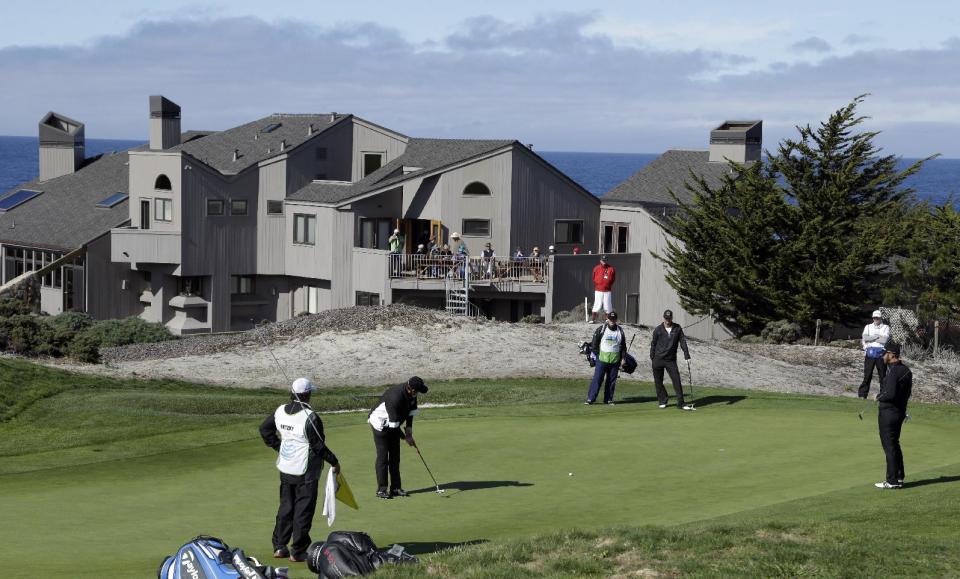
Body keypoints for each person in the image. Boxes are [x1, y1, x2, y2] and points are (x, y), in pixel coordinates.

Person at [259, 377, 340, 562]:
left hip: (286, 468)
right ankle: (298, 550)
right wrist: (334, 461)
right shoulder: (310, 417)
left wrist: (279, 447)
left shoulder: (280, 411)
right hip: (306, 471)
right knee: (303, 510)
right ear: (307, 394)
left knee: (286, 507)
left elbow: (265, 430)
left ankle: (279, 546)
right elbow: (318, 446)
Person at [368, 376, 429, 498]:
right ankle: (381, 489)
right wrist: (405, 438)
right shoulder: (395, 397)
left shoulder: (412, 395)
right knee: (383, 457)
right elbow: (393, 427)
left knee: (395, 456)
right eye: (417, 391)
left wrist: (409, 431)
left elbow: (410, 413)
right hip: (380, 424)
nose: (417, 394)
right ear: (410, 389)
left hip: (393, 424)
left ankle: (395, 488)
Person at [875, 342, 912, 489]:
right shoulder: (906, 370)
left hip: (888, 413)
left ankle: (891, 481)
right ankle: (899, 476)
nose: (883, 356)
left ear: (891, 355)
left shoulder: (894, 372)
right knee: (895, 444)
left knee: (889, 446)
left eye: (885, 354)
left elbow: (889, 394)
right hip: (899, 413)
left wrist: (878, 397)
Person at [650, 309, 694, 411]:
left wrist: (687, 355)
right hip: (658, 359)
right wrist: (652, 357)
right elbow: (653, 344)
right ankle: (663, 400)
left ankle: (681, 403)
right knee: (658, 381)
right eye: (666, 318)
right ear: (663, 318)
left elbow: (683, 342)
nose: (668, 321)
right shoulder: (658, 330)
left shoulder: (677, 328)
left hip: (670, 360)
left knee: (676, 380)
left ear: (672, 318)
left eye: (669, 319)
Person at [585, 311, 626, 405]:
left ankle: (608, 399)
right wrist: (596, 356)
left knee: (611, 381)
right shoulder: (601, 329)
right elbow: (594, 344)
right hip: (602, 359)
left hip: (615, 361)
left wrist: (623, 358)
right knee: (597, 379)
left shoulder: (620, 331)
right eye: (610, 319)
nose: (612, 321)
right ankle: (591, 398)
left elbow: (623, 346)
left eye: (614, 319)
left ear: (616, 320)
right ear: (607, 319)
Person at [859, 310, 890, 399]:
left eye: (877, 317)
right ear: (872, 318)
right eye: (874, 317)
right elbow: (865, 338)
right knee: (867, 375)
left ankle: (883, 395)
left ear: (880, 318)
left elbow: (884, 340)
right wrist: (877, 336)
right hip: (869, 353)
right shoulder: (868, 326)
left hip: (881, 353)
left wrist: (871, 338)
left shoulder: (886, 327)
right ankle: (862, 394)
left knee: (882, 376)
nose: (876, 319)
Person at [590, 256, 615, 323]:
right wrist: (598, 284)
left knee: (607, 305)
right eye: (603, 260)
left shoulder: (611, 269)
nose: (604, 261)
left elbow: (613, 279)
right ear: (600, 260)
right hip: (598, 290)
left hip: (607, 290)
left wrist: (608, 285)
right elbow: (593, 278)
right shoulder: (596, 268)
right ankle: (593, 319)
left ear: (607, 260)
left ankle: (608, 319)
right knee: (597, 304)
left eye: (605, 260)